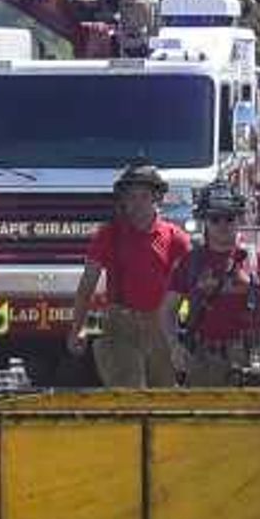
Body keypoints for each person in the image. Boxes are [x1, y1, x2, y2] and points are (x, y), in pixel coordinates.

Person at [168, 183, 260, 385]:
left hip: (250, 360)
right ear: (205, 221)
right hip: (203, 360)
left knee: (250, 416)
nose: (223, 224)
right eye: (215, 219)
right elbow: (167, 310)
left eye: (229, 218)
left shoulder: (257, 260)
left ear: (238, 219)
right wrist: (174, 345)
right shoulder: (191, 262)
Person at [71, 163, 192, 388]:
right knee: (129, 397)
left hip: (161, 329)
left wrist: (184, 341)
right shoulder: (108, 235)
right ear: (123, 200)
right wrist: (77, 329)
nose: (137, 204)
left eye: (144, 196)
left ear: (157, 198)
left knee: (163, 398)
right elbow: (86, 287)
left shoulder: (176, 239)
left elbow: (192, 290)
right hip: (119, 326)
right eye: (131, 197)